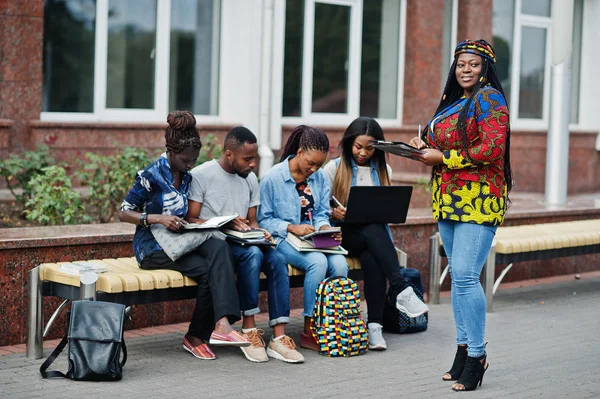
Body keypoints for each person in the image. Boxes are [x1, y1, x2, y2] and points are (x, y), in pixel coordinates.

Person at [408, 39, 512, 391]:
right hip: (448, 199)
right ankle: (464, 349)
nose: (466, 70)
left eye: (474, 64)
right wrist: (423, 147)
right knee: (460, 278)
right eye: (461, 64)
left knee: (467, 277)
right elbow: (444, 143)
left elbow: (492, 147)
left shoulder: (489, 98)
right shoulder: (453, 102)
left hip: (479, 200)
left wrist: (445, 158)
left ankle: (478, 356)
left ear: (486, 68)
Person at [119, 110, 250, 361]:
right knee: (209, 271)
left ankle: (223, 325)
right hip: (152, 248)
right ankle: (196, 336)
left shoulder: (187, 177)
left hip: (180, 241)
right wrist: (157, 218)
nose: (190, 164)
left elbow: (189, 216)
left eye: (193, 160)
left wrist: (213, 223)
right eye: (185, 160)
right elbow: (124, 213)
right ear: (170, 152)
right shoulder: (151, 176)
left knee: (219, 248)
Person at [186, 126, 304, 364]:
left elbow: (252, 220)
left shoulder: (249, 178)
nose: (252, 165)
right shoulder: (202, 175)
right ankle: (249, 331)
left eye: (254, 159)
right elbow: (191, 218)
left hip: (245, 239)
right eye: (247, 159)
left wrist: (262, 232)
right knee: (252, 256)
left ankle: (278, 337)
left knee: (278, 258)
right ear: (229, 154)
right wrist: (225, 223)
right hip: (219, 242)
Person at [323, 116, 430, 351]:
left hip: (371, 240)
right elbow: (321, 206)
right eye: (358, 146)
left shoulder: (384, 170)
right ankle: (401, 287)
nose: (363, 153)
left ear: (378, 146)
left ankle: (374, 327)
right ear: (349, 143)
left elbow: (383, 208)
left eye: (369, 147)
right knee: (373, 231)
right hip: (343, 237)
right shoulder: (334, 168)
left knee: (373, 258)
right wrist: (334, 213)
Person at [257, 125, 348, 351]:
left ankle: (332, 325)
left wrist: (325, 227)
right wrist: (292, 227)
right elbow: (264, 220)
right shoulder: (273, 178)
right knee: (317, 262)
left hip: (314, 238)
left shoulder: (319, 178)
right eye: (311, 163)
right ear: (299, 153)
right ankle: (310, 330)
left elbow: (320, 213)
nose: (314, 169)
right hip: (284, 239)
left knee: (339, 263)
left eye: (319, 164)